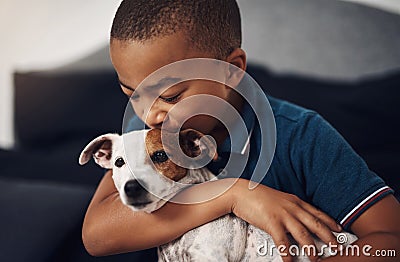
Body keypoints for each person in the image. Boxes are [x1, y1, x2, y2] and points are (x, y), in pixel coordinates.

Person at [82, 0, 400, 261]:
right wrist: (231, 195)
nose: (148, 115)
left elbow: (391, 240)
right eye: (132, 95)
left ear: (231, 69)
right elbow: (97, 235)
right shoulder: (148, 132)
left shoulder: (302, 136)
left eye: (170, 96)